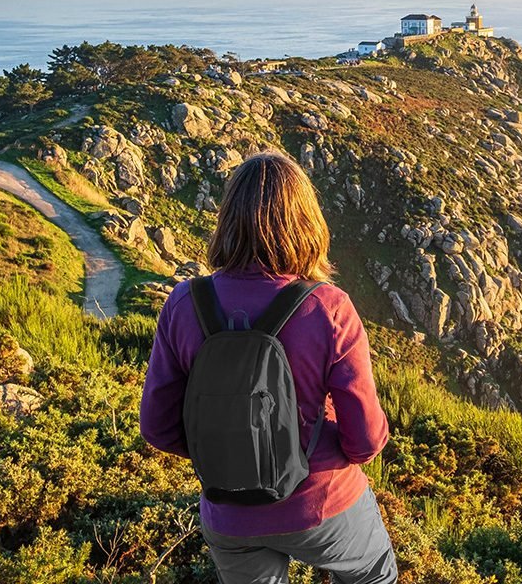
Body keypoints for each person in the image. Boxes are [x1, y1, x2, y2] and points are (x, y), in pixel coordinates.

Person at [140, 151, 396, 584]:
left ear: (227, 220)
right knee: (374, 574)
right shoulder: (328, 307)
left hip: (228, 513)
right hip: (320, 503)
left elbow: (157, 428)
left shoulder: (184, 304)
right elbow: (366, 442)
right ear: (306, 222)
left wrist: (232, 446)